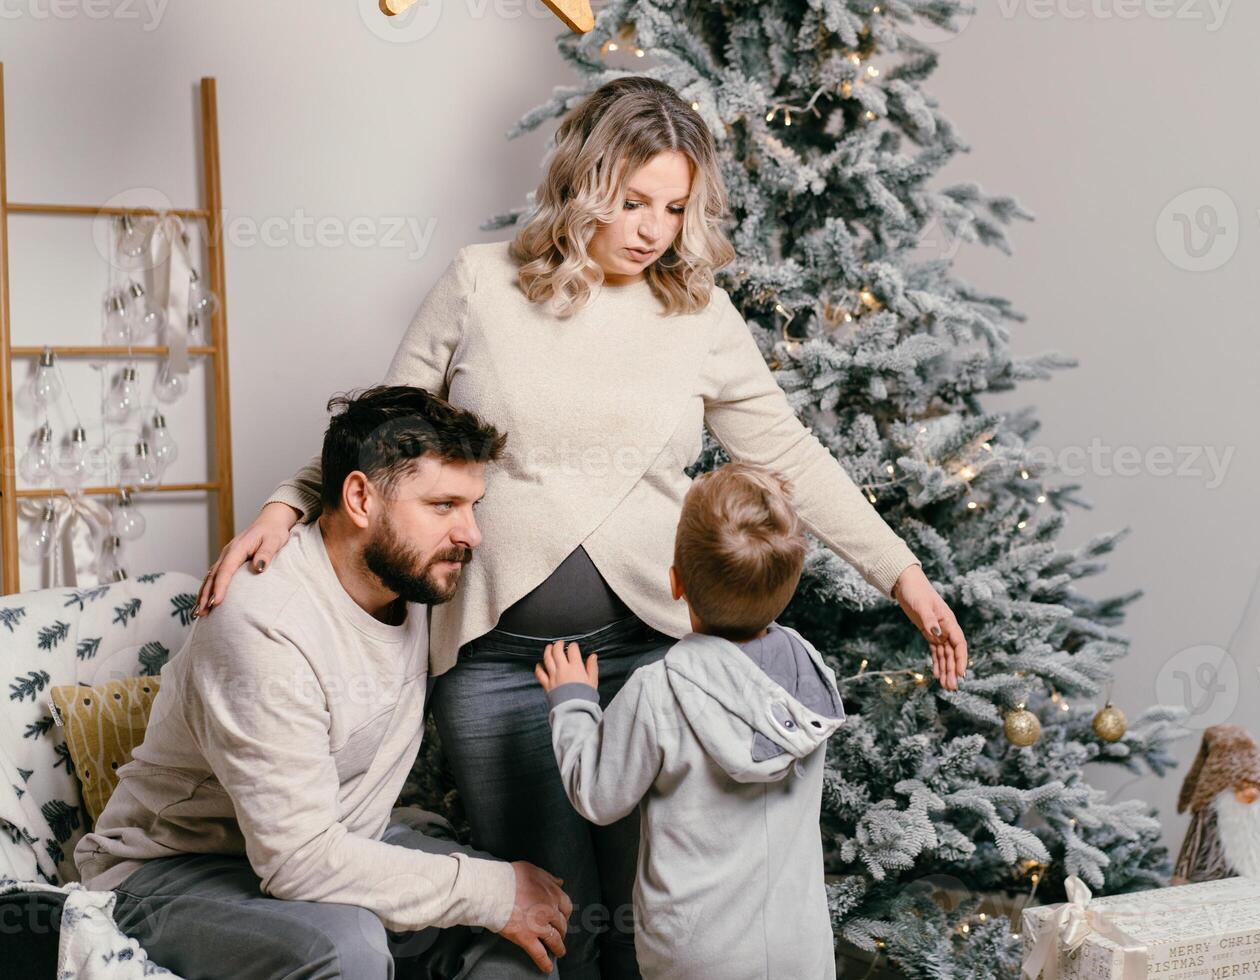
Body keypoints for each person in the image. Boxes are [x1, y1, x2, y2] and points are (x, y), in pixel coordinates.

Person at [192, 75, 968, 980]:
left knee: (654, 924)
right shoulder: (480, 283)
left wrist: (904, 575)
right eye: (632, 201)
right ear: (582, 186)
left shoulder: (699, 317)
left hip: (649, 661)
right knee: (555, 927)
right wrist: (290, 502)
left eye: (674, 207)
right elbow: (390, 430)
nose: (651, 229)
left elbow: (790, 457)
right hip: (497, 671)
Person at [74, 385, 572, 980]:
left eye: (474, 505)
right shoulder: (264, 623)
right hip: (176, 869)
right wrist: (490, 890)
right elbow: (300, 863)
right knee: (349, 945)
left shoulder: (421, 576)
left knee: (521, 940)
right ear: (359, 498)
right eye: (443, 505)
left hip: (343, 837)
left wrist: (498, 899)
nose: (472, 534)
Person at [534, 463, 845, 979]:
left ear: (675, 583)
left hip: (696, 952)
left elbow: (597, 795)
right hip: (798, 944)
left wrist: (573, 702)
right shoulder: (809, 672)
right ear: (787, 588)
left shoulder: (659, 691)